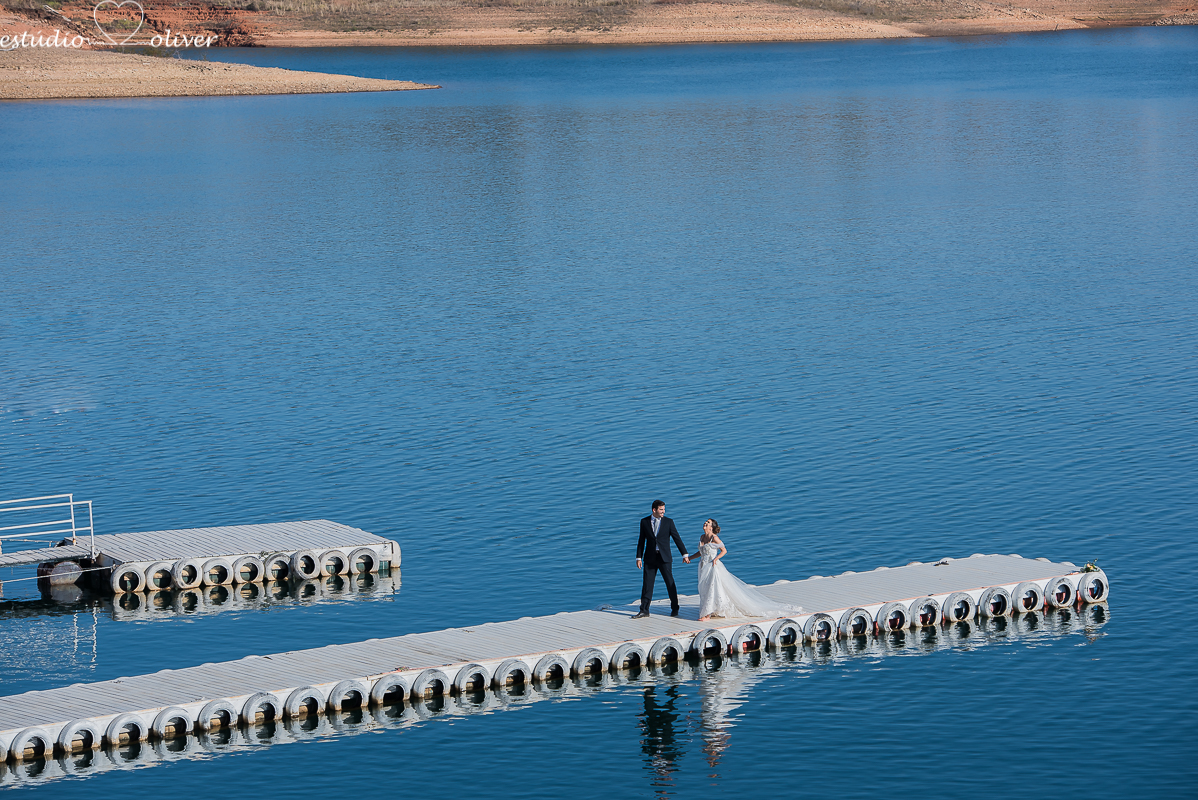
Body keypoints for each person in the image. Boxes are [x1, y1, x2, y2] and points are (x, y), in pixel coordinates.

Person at [691, 518, 801, 621]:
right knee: (704, 587)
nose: (705, 523)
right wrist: (690, 558)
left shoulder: (714, 538)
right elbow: (701, 552)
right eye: (706, 522)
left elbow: (724, 550)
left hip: (712, 566)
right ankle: (711, 609)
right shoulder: (702, 537)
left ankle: (707, 614)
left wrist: (716, 559)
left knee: (711, 588)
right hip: (702, 566)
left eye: (708, 523)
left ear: (711, 527)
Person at [634, 500, 690, 619]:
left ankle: (675, 607)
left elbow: (677, 538)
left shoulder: (668, 522)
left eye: (664, 509)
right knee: (647, 584)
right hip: (650, 558)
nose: (663, 511)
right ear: (654, 510)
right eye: (661, 509)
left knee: (669, 583)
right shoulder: (644, 522)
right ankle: (644, 610)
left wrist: (684, 554)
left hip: (664, 558)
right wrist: (638, 557)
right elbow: (641, 541)